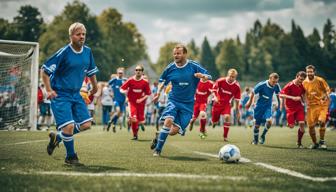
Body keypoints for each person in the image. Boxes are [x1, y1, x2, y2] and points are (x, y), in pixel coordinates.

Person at [41, 22, 98, 165]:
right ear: (71, 36)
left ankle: (58, 137)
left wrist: (95, 87)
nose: (82, 37)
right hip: (60, 94)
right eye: (78, 34)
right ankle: (70, 157)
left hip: (76, 94)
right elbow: (45, 70)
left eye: (83, 34)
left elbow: (91, 71)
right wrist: (48, 90)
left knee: (86, 124)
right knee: (69, 127)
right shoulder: (64, 52)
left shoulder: (87, 51)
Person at [150, 44, 211, 156]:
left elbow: (209, 76)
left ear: (184, 54)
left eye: (178, 53)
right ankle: (158, 150)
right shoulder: (170, 68)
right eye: (174, 54)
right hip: (173, 100)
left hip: (188, 104)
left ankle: (159, 135)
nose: (176, 55)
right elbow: (162, 80)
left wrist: (203, 76)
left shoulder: (193, 66)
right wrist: (158, 93)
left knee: (173, 131)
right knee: (168, 121)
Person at [245, 73, 281, 145]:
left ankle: (263, 136)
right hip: (259, 106)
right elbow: (253, 92)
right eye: (273, 81)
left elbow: (278, 95)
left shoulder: (276, 85)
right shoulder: (261, 85)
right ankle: (255, 141)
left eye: (276, 82)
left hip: (268, 106)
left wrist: (279, 105)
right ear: (270, 78)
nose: (275, 83)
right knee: (257, 125)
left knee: (269, 121)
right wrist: (249, 103)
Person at [120, 64, 151, 140]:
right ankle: (135, 135)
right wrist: (124, 92)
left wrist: (141, 99)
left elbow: (148, 94)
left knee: (140, 121)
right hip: (132, 103)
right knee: (134, 118)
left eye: (139, 70)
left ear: (142, 72)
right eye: (136, 70)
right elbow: (121, 88)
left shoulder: (145, 82)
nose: (138, 71)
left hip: (141, 104)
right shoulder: (130, 80)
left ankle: (136, 128)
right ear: (134, 71)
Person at [303, 65, 330, 149]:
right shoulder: (304, 82)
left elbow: (328, 89)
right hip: (311, 107)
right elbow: (303, 94)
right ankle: (315, 143)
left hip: (322, 104)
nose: (309, 73)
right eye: (308, 72)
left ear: (314, 72)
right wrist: (305, 103)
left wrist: (325, 97)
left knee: (321, 121)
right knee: (310, 126)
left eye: (311, 71)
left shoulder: (320, 80)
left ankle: (322, 142)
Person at [211, 69, 240, 141]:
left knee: (227, 117)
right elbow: (214, 90)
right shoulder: (220, 81)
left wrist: (237, 111)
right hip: (217, 103)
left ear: (235, 77)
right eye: (230, 76)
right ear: (228, 75)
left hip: (227, 105)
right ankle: (214, 122)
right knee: (215, 121)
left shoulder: (237, 86)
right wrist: (216, 97)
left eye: (233, 77)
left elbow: (237, 100)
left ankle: (225, 136)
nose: (231, 78)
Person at [279, 71, 306, 148]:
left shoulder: (302, 85)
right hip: (290, 108)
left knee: (302, 126)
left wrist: (304, 102)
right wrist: (293, 98)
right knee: (291, 126)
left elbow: (304, 93)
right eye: (300, 79)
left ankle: (299, 143)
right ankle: (290, 122)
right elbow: (281, 95)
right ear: (296, 76)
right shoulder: (289, 85)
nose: (301, 81)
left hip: (299, 107)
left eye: (302, 80)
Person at [107, 68, 127, 132]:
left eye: (121, 73)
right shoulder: (115, 80)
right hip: (116, 100)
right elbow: (108, 84)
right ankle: (111, 122)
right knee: (118, 111)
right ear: (117, 73)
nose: (120, 74)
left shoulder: (125, 80)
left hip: (123, 100)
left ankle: (112, 123)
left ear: (123, 73)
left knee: (119, 114)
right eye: (119, 73)